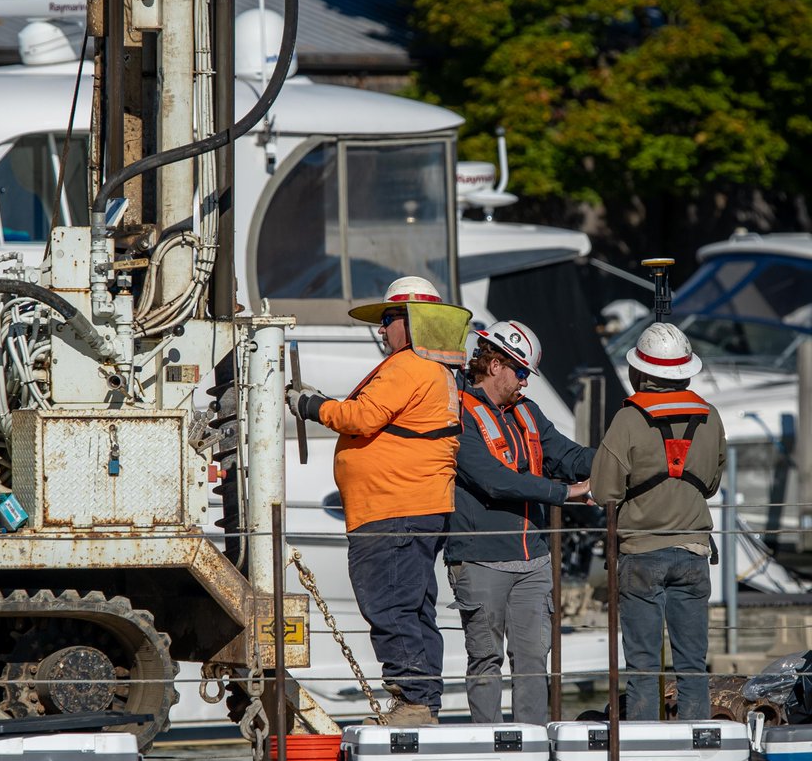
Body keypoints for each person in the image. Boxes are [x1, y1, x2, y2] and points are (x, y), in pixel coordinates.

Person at [287, 276, 469, 725]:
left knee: (390, 605)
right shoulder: (435, 370)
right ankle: (422, 703)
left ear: (413, 323)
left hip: (393, 510)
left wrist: (309, 404)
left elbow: (362, 416)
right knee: (414, 609)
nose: (383, 329)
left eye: (390, 319)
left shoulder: (409, 366)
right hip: (414, 507)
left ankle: (412, 704)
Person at [445, 321, 595, 725]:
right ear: (495, 365)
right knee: (485, 661)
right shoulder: (457, 411)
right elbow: (494, 481)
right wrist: (566, 493)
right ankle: (489, 748)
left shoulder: (527, 412)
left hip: (534, 563)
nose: (525, 383)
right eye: (521, 372)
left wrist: (620, 459)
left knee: (532, 662)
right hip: (480, 562)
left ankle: (531, 748)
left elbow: (568, 456)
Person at [590, 322, 725, 721]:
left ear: (640, 372)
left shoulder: (628, 420)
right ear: (685, 371)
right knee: (693, 666)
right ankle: (699, 745)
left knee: (644, 668)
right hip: (693, 551)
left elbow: (604, 491)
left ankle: (642, 749)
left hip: (641, 554)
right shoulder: (711, 416)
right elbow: (713, 483)